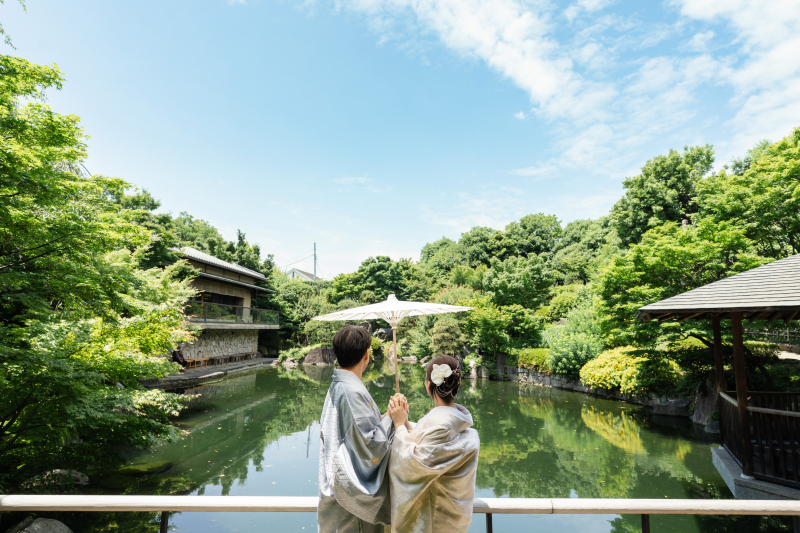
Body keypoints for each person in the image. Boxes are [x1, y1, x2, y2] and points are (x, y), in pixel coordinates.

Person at [318, 325, 406, 533]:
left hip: (337, 492)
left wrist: (388, 415)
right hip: (351, 506)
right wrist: (396, 420)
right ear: (367, 354)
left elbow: (358, 431)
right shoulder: (352, 391)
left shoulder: (340, 385)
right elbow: (370, 445)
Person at [386, 355, 480, 533]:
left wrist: (398, 426)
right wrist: (406, 423)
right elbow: (428, 439)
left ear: (428, 384)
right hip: (453, 519)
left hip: (434, 521)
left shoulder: (441, 428)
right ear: (457, 384)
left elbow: (410, 464)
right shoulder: (458, 425)